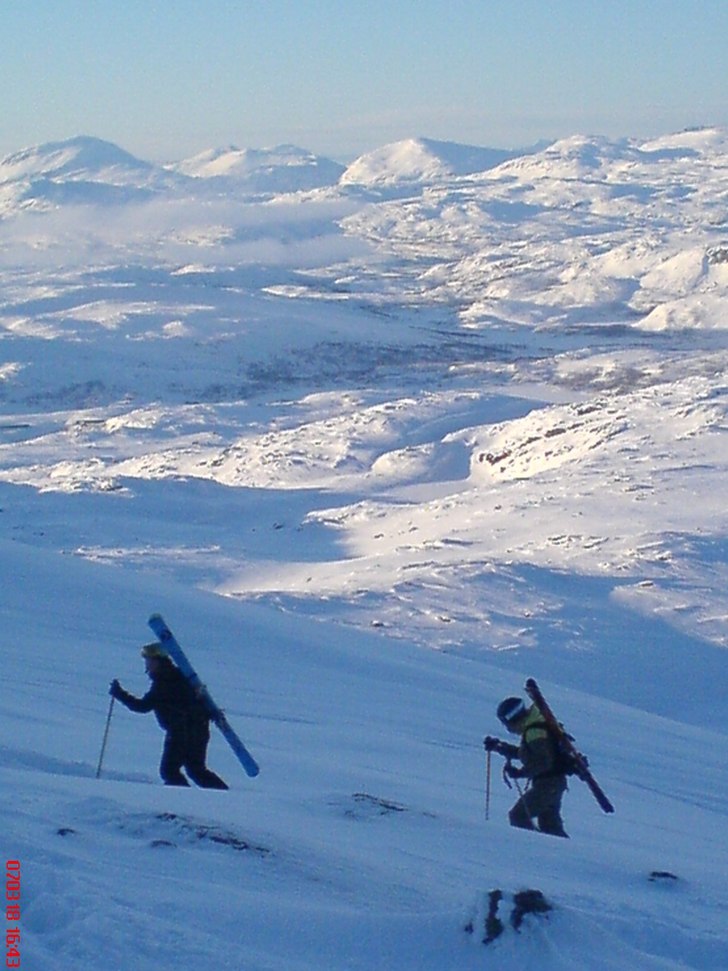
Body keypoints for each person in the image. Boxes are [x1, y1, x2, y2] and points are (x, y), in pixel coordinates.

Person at [110, 642, 228, 789]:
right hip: (198, 729)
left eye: (149, 661)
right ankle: (223, 797)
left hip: (181, 732)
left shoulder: (164, 682)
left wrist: (119, 693)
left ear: (158, 661)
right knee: (196, 770)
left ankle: (182, 801)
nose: (147, 665)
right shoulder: (178, 675)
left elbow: (142, 706)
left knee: (170, 771)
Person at [484, 696, 568, 838]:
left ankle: (531, 847)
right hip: (553, 782)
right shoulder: (534, 727)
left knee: (518, 816)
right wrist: (500, 747)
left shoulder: (534, 732)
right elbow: (529, 754)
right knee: (550, 826)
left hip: (547, 784)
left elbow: (543, 762)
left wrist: (520, 773)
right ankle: (561, 850)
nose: (507, 728)